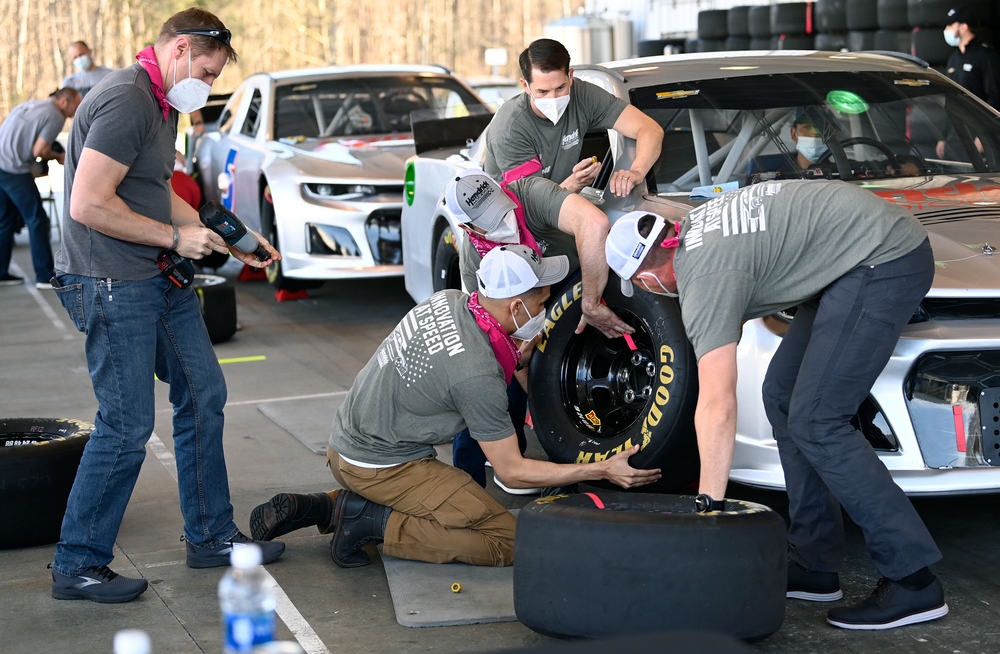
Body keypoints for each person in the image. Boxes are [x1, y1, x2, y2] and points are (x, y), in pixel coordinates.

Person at [605, 180, 947, 630]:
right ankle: (814, 563)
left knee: (818, 420)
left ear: (647, 275)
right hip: (851, 252)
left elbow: (717, 402)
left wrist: (709, 507)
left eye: (642, 286)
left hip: (882, 256)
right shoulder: (694, 229)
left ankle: (913, 580)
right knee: (784, 398)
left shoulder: (701, 276)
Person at [49, 8, 284, 604]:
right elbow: (88, 203)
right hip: (109, 279)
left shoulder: (161, 104)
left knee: (204, 392)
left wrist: (233, 236)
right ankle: (77, 563)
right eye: (205, 71)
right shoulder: (127, 100)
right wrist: (177, 240)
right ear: (179, 48)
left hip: (155, 275)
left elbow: (154, 195)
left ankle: (209, 536)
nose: (205, 84)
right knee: (127, 424)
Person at [248, 245, 661, 567]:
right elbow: (513, 472)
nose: (545, 311)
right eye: (540, 303)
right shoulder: (476, 375)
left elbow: (470, 363)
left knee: (460, 509)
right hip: (385, 466)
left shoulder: (450, 302)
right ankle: (370, 522)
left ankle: (330, 505)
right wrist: (600, 468)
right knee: (506, 540)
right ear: (515, 306)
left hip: (349, 445)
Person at [442, 169, 630, 491]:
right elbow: (504, 337)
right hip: (521, 308)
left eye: (501, 206)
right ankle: (480, 479)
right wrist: (546, 400)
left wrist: (591, 301)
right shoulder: (475, 263)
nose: (504, 218)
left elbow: (594, 224)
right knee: (493, 375)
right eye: (490, 218)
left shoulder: (529, 193)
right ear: (466, 226)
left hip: (575, 277)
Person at [483, 38, 663, 197]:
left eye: (560, 88)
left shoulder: (584, 95)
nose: (553, 99)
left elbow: (649, 129)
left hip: (559, 207)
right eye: (542, 92)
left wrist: (636, 172)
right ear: (525, 86)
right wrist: (574, 183)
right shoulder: (509, 129)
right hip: (510, 225)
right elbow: (532, 208)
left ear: (570, 76)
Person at [0, 87, 81, 288]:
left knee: (5, 220)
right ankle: (44, 275)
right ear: (64, 102)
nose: (76, 111)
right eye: (76, 106)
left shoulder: (33, 104)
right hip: (13, 169)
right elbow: (40, 150)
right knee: (37, 220)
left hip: (2, 163)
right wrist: (60, 157)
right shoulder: (55, 116)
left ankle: (1, 272)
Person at [936, 6, 1000, 158]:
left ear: (963, 27)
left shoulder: (985, 55)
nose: (946, 30)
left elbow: (995, 97)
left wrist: (986, 134)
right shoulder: (953, 59)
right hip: (956, 133)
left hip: (979, 133)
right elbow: (949, 99)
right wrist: (943, 137)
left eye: (950, 25)